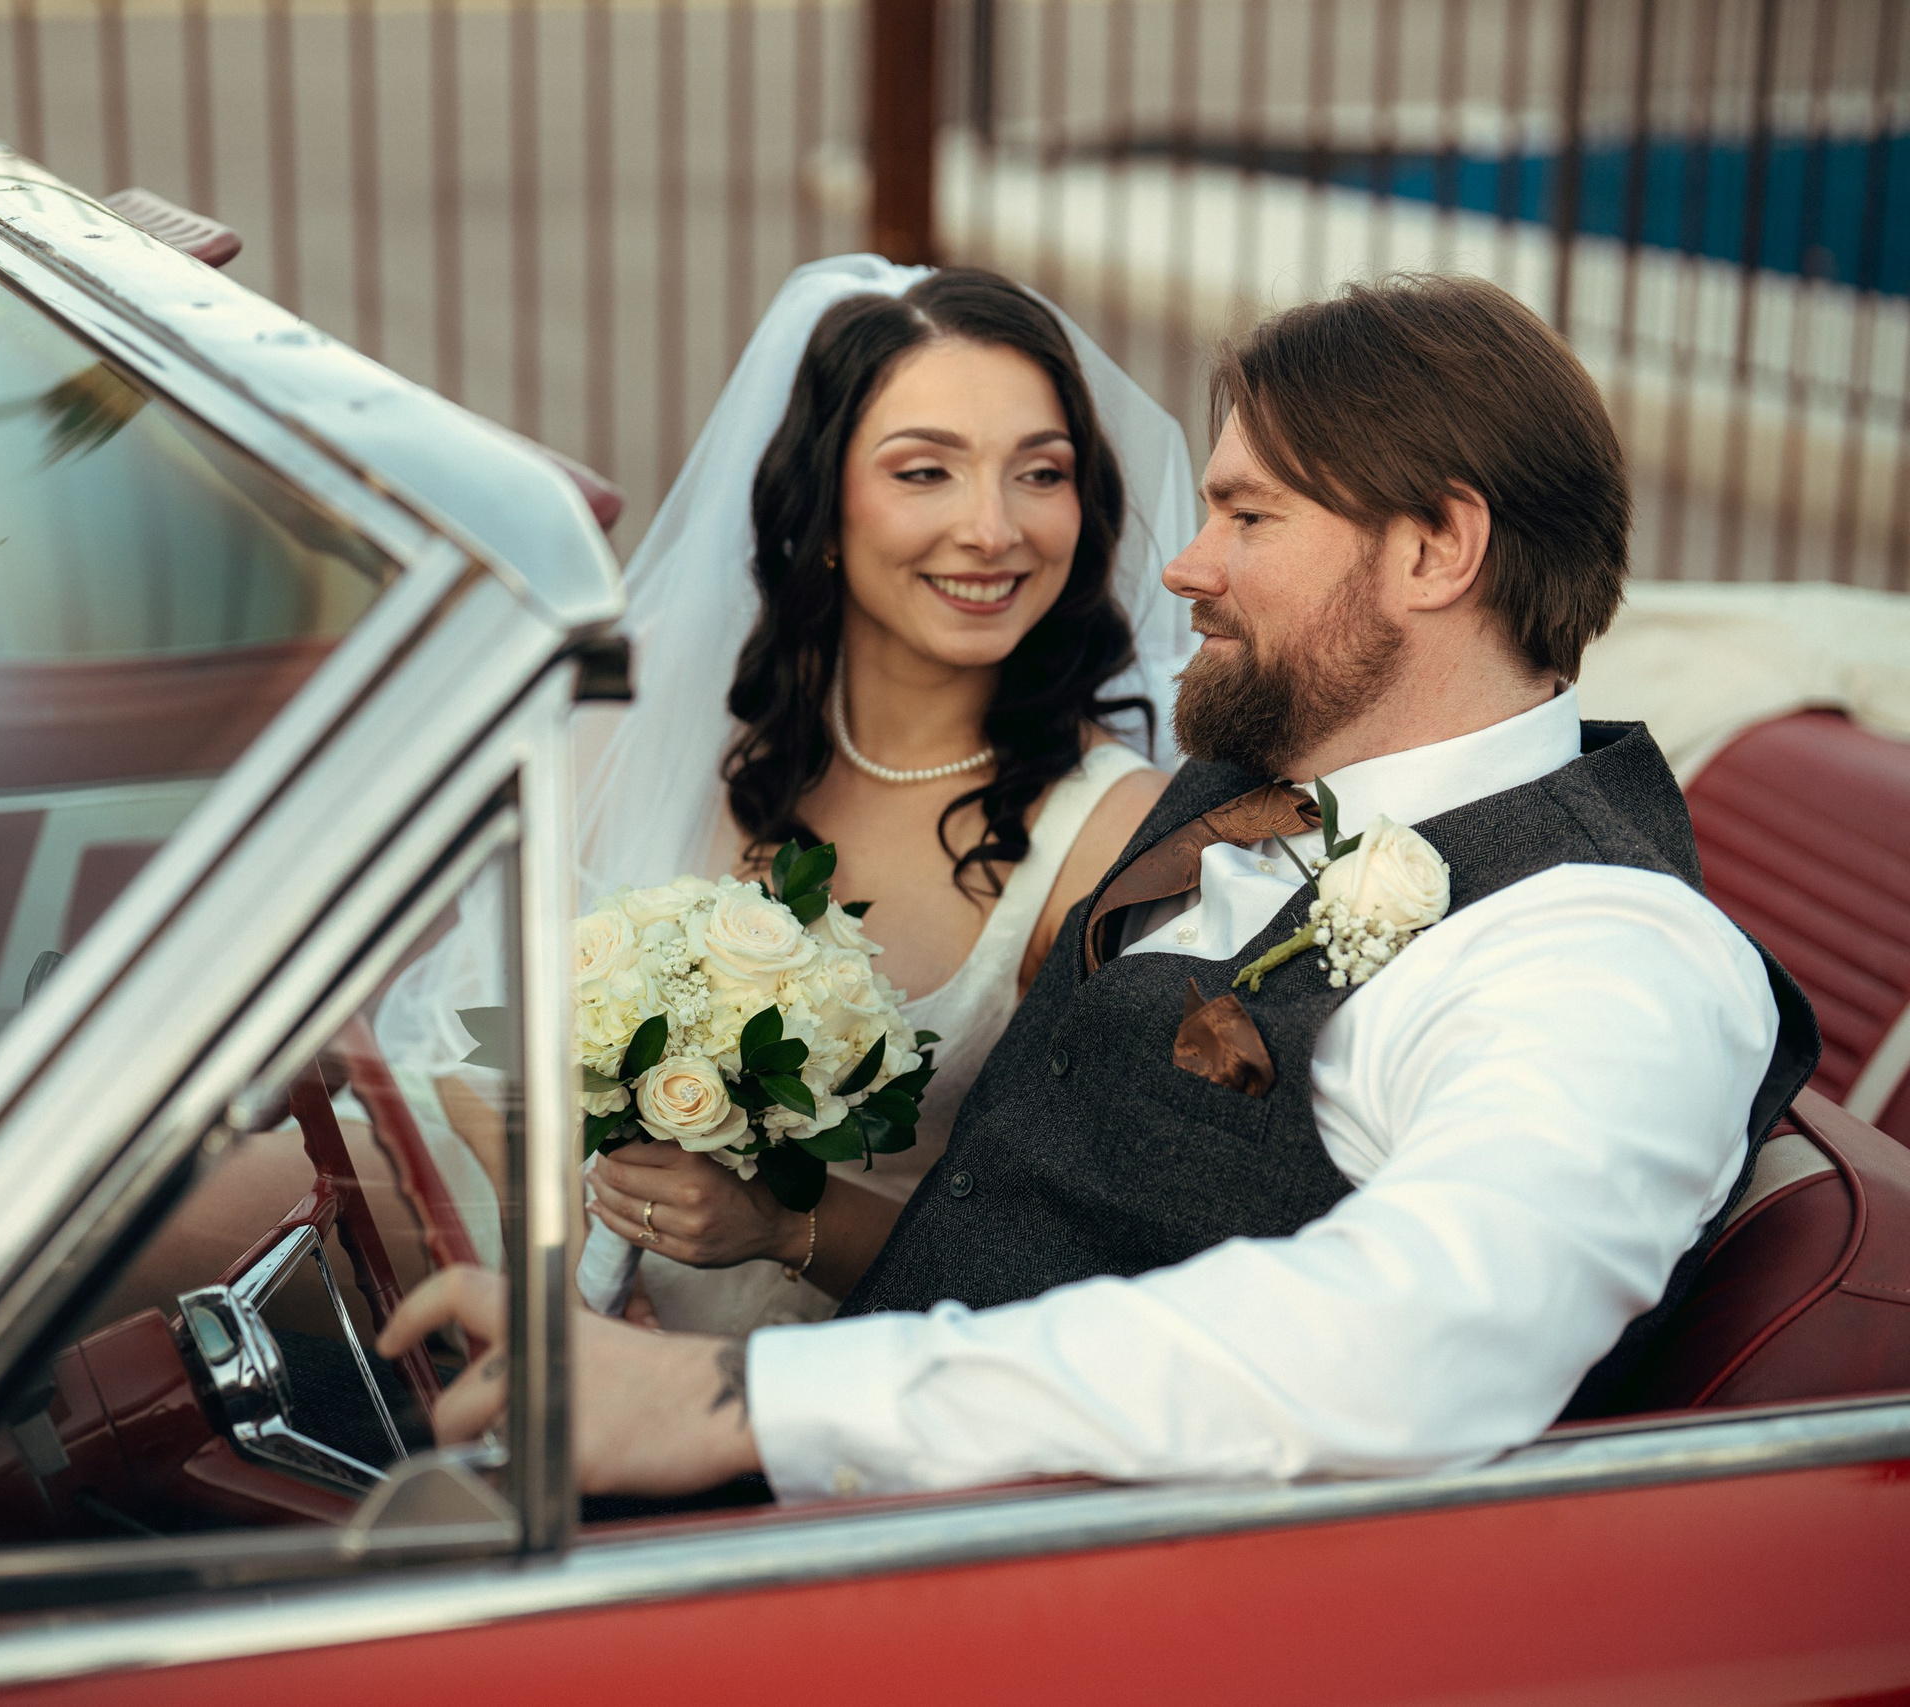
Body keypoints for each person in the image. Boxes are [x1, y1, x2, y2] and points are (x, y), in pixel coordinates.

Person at [380, 272, 1820, 1500]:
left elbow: (1420, 1331)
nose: (1184, 566)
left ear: (1437, 548)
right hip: (838, 1477)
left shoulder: (1601, 952)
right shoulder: (1246, 795)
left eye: (1250, 517)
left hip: (949, 1568)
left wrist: (739, 1397)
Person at [382, 258, 1194, 1335]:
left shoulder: (1109, 836)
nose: (994, 529)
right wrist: (570, 1293)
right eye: (924, 473)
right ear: (821, 505)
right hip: (517, 1232)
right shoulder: (667, 698)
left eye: (1039, 475)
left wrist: (784, 1220)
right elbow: (470, 1042)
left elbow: (1055, 1252)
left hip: (798, 1358)